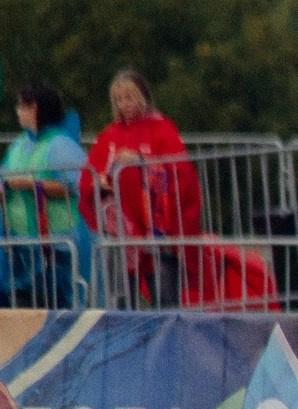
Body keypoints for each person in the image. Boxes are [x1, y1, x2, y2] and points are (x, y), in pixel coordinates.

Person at [81, 68, 203, 308]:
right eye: (118, 99)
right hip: (120, 235)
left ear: (143, 97)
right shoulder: (109, 135)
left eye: (129, 97)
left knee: (164, 304)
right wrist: (99, 184)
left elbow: (181, 174)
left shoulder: (163, 130)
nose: (124, 104)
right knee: (121, 305)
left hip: (158, 235)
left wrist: (142, 162)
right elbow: (89, 175)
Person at [2, 82, 89, 308]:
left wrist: (30, 184)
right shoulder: (19, 146)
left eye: (24, 105)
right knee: (24, 306)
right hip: (22, 242)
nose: (18, 110)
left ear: (37, 108)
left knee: (62, 306)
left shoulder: (60, 145)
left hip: (57, 242)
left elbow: (77, 185)